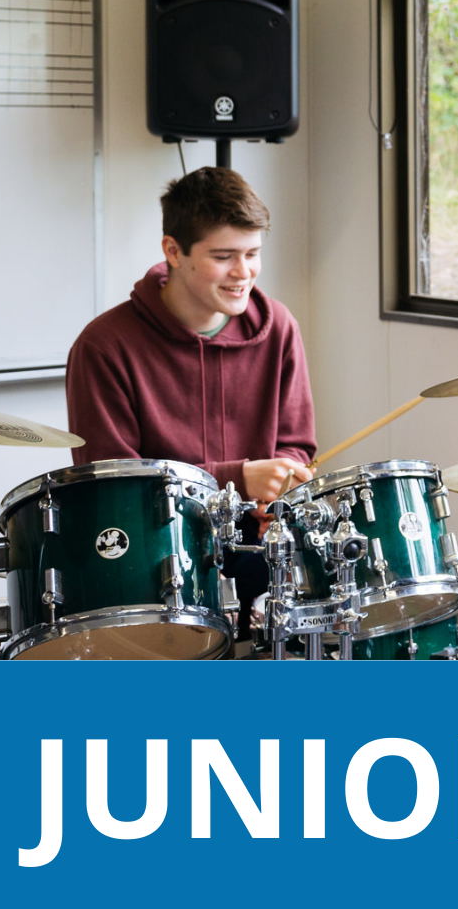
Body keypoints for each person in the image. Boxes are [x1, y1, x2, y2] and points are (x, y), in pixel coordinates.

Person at [66, 165, 316, 636]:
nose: (244, 273)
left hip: (259, 552)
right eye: (224, 256)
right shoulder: (103, 345)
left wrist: (280, 483)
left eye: (253, 253)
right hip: (152, 565)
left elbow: (296, 444)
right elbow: (110, 487)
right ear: (173, 251)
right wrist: (236, 478)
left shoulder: (279, 326)